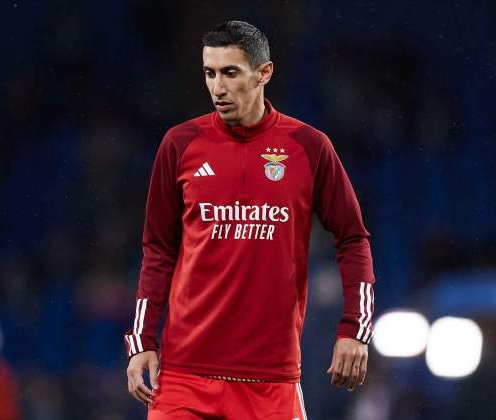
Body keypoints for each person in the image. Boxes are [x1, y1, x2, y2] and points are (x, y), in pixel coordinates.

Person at [124, 20, 376, 419]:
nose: (217, 88)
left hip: (270, 381)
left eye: (230, 73)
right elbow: (158, 249)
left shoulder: (308, 148)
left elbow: (353, 239)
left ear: (264, 73)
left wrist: (353, 331)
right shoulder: (180, 144)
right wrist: (142, 341)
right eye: (209, 73)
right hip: (185, 377)